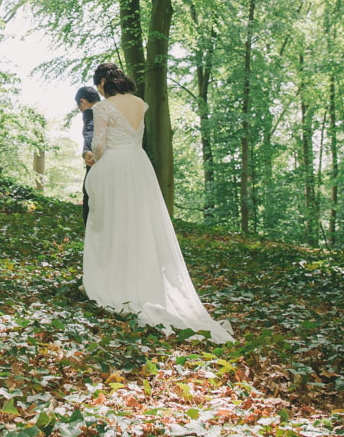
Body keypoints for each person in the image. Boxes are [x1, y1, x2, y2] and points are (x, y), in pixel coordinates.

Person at [83, 62, 234, 343]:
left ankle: (117, 281)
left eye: (99, 85)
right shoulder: (140, 103)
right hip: (139, 167)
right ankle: (145, 281)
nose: (100, 91)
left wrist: (92, 157)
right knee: (141, 225)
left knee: (115, 222)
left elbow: (101, 145)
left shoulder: (102, 108)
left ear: (104, 82)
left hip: (116, 166)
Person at [75, 85, 100, 225]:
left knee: (89, 200)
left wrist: (87, 152)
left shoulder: (91, 111)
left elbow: (89, 130)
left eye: (79, 107)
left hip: (96, 161)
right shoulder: (111, 110)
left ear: (83, 102)